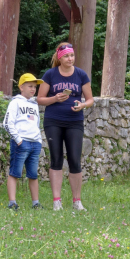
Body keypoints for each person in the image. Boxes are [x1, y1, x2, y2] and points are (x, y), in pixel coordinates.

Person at [37, 43, 94, 211]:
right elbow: (40, 99)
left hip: (74, 121)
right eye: (67, 56)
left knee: (75, 160)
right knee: (56, 159)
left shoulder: (81, 75)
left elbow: (90, 99)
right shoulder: (50, 75)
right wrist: (55, 99)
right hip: (53, 120)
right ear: (60, 58)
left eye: (72, 56)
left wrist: (82, 105)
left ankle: (77, 201)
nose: (70, 59)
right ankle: (57, 201)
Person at [3, 74, 44, 210]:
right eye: (30, 86)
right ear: (21, 87)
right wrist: (18, 139)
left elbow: (36, 123)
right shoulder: (15, 103)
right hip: (21, 143)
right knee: (15, 172)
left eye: (35, 87)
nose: (33, 89)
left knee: (33, 174)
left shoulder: (34, 104)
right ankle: (12, 202)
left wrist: (38, 140)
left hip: (35, 143)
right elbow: (8, 123)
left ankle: (35, 203)